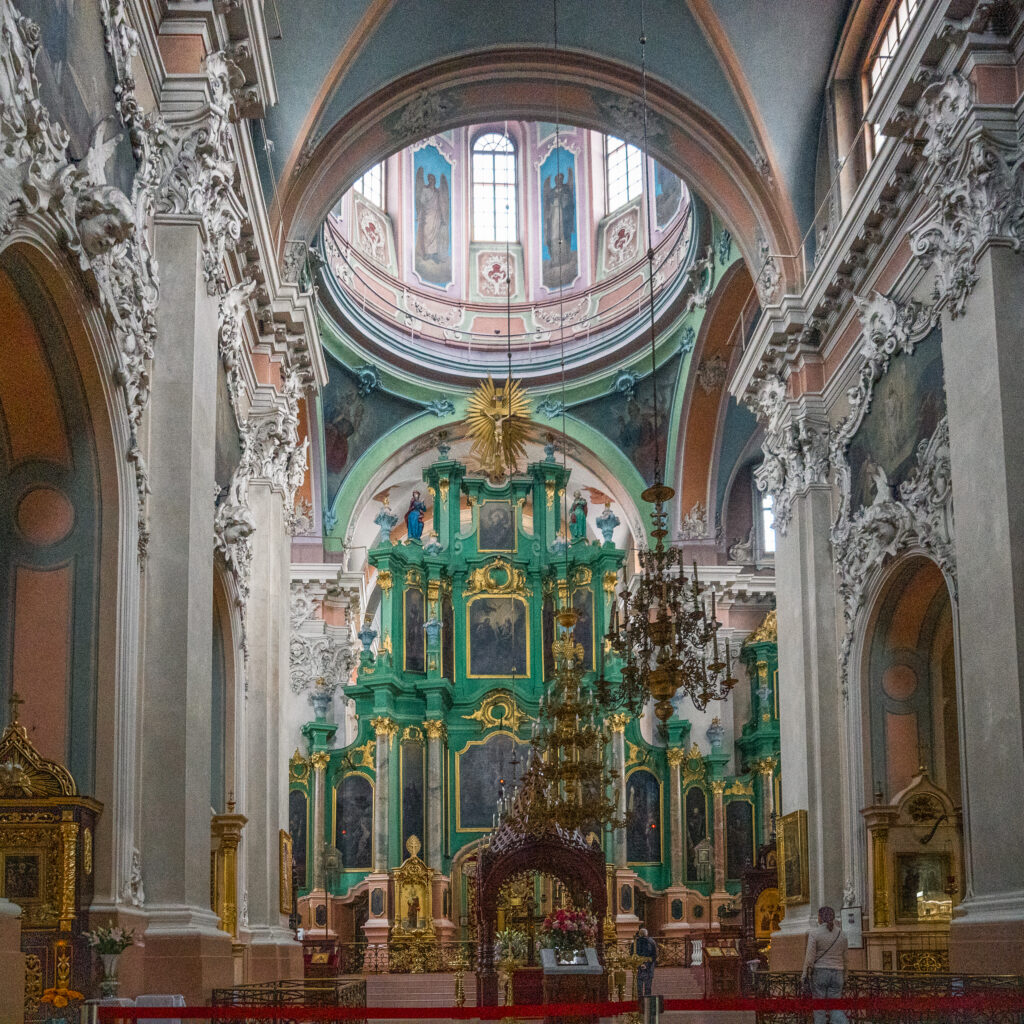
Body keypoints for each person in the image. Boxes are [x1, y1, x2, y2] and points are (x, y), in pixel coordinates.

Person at [801, 906, 848, 1024]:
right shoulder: (842, 934)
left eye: (818, 916)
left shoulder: (814, 933)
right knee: (835, 1006)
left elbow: (809, 958)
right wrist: (845, 975)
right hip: (838, 973)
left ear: (820, 918)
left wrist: (804, 975)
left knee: (819, 1008)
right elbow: (845, 958)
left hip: (820, 973)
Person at [631, 926, 657, 1000]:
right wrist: (646, 964)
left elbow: (632, 955)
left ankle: (640, 1002)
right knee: (647, 989)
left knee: (640, 989)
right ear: (647, 934)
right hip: (647, 968)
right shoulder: (651, 941)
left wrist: (640, 964)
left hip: (640, 967)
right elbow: (654, 955)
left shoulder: (635, 942)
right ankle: (647, 1003)